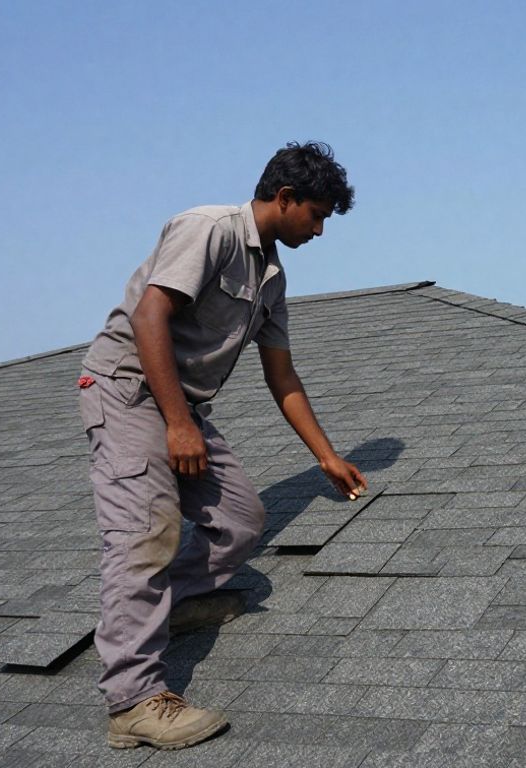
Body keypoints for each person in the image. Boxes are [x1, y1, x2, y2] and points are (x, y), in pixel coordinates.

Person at [78, 141, 368, 749]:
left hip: (182, 403)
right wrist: (179, 425)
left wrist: (326, 456)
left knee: (240, 519)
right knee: (145, 534)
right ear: (285, 199)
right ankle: (133, 699)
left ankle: (174, 605)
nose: (319, 229)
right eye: (315, 215)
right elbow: (149, 318)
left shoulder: (272, 278)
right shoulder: (206, 229)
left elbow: (282, 377)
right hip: (128, 390)